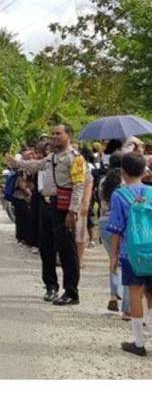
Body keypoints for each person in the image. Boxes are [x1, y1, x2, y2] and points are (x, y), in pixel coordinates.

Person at [6, 124, 86, 306]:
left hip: (63, 206)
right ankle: (51, 286)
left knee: (67, 251)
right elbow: (36, 165)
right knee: (46, 248)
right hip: (46, 204)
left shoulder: (76, 159)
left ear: (68, 135)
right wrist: (17, 163)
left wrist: (72, 211)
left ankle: (71, 292)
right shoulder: (52, 157)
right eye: (52, 134)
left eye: (58, 133)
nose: (54, 137)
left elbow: (79, 185)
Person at [106, 153, 152, 357]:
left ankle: (139, 342)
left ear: (123, 172)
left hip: (130, 252)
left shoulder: (119, 195)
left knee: (135, 292)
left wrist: (113, 256)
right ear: (144, 171)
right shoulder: (151, 192)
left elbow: (116, 228)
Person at [98, 152, 130, 319]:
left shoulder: (103, 181)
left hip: (104, 221)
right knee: (126, 263)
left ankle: (113, 295)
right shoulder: (126, 182)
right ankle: (126, 306)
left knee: (113, 259)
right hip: (122, 223)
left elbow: (100, 200)